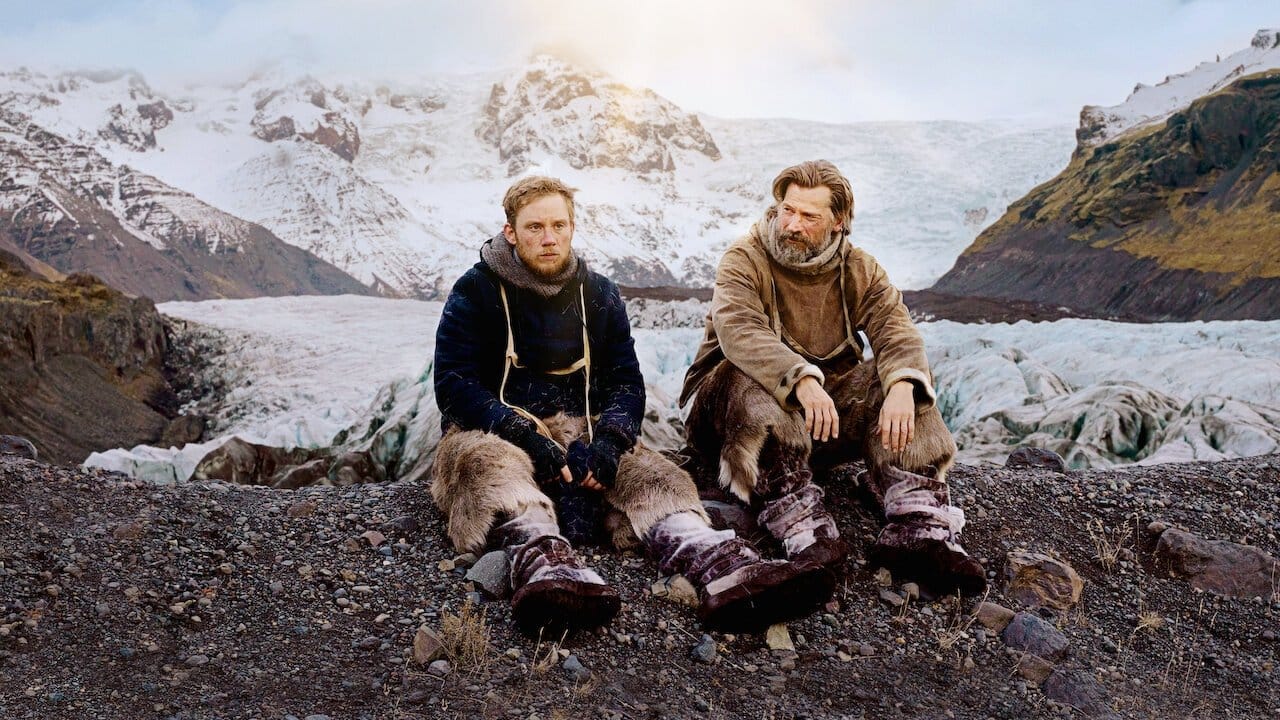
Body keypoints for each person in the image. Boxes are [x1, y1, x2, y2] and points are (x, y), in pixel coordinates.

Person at [431, 176, 834, 636]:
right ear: (511, 232)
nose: (549, 238)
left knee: (653, 474)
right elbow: (454, 383)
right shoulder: (475, 290)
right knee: (490, 466)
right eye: (535, 227)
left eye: (558, 225)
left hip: (582, 432)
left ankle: (722, 564)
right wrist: (523, 435)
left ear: (572, 227)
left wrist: (609, 441)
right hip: (494, 431)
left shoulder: (598, 293)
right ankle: (544, 566)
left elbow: (625, 380)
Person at [679, 160, 986, 597]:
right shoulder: (744, 258)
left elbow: (896, 329)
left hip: (818, 424)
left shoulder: (860, 269)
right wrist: (801, 380)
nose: (792, 225)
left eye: (809, 216)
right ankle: (803, 529)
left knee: (901, 380)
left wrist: (902, 386)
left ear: (838, 221)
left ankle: (919, 525)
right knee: (742, 372)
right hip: (730, 419)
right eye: (787, 210)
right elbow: (740, 330)